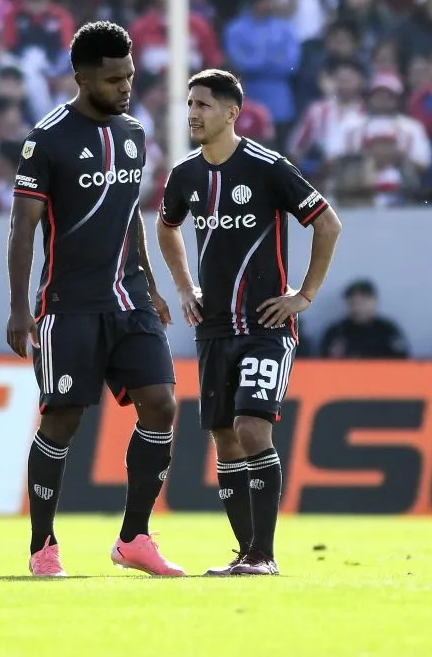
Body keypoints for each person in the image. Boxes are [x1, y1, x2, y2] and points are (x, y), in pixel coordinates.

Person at [5, 21, 184, 578]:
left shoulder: (133, 132)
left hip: (129, 298)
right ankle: (43, 546)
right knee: (61, 420)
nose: (125, 86)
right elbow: (22, 227)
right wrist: (19, 306)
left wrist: (150, 283)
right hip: (69, 304)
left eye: (129, 76)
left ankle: (134, 537)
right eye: (113, 79)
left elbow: (131, 212)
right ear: (82, 78)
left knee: (162, 405)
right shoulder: (48, 138)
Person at [156, 69, 342, 576]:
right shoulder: (186, 175)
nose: (192, 114)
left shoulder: (267, 167)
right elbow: (166, 227)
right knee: (225, 437)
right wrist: (184, 286)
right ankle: (246, 554)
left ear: (232, 113)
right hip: (213, 326)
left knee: (250, 427)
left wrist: (304, 295)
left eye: (203, 106)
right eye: (189, 105)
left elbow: (327, 222)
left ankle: (265, 555)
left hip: (265, 326)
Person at [320, 279, 410, 359]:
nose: (358, 307)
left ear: (374, 301)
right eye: (353, 302)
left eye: (363, 302)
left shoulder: (387, 331)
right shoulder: (337, 332)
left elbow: (401, 360)